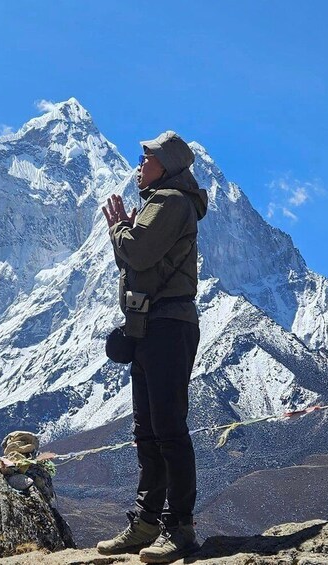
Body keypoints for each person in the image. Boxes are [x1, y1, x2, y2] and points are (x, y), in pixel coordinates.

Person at [97, 131, 208, 563]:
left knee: (168, 430)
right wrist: (126, 229)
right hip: (149, 327)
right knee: (147, 430)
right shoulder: (160, 200)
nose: (140, 164)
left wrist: (119, 227)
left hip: (167, 326)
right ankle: (146, 521)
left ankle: (178, 526)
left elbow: (137, 254)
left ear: (167, 164)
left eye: (148, 158)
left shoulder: (171, 202)